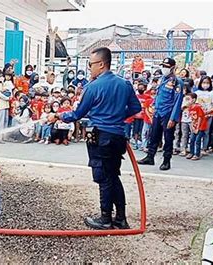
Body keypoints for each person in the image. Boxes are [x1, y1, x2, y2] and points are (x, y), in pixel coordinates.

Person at [48, 47, 141, 230]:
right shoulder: (124, 84)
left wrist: (58, 116)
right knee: (114, 176)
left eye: (90, 64)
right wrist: (117, 116)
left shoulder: (93, 87)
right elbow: (135, 107)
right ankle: (121, 218)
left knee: (104, 178)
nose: (89, 68)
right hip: (118, 137)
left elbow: (77, 114)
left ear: (101, 64)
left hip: (100, 137)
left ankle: (105, 218)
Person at [138, 58, 184, 171]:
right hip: (158, 112)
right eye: (163, 66)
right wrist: (153, 106)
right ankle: (150, 157)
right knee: (153, 136)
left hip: (168, 113)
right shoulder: (161, 79)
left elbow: (178, 101)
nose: (164, 69)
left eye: (167, 67)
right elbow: (158, 95)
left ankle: (166, 161)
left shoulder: (177, 82)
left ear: (173, 68)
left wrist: (173, 118)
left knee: (168, 138)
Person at [195, 76, 213, 155]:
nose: (205, 85)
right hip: (198, 116)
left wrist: (210, 112)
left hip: (208, 115)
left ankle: (204, 148)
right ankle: (196, 148)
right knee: (196, 131)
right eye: (204, 83)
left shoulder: (212, 93)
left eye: (207, 83)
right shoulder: (197, 93)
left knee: (206, 132)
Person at [184, 93, 208, 160]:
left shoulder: (198, 107)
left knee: (197, 140)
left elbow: (200, 117)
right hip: (194, 126)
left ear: (194, 100)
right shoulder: (190, 108)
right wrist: (192, 126)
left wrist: (197, 127)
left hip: (200, 126)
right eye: (186, 99)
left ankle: (197, 154)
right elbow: (191, 118)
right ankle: (191, 152)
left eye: (189, 99)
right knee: (192, 140)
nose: (187, 101)